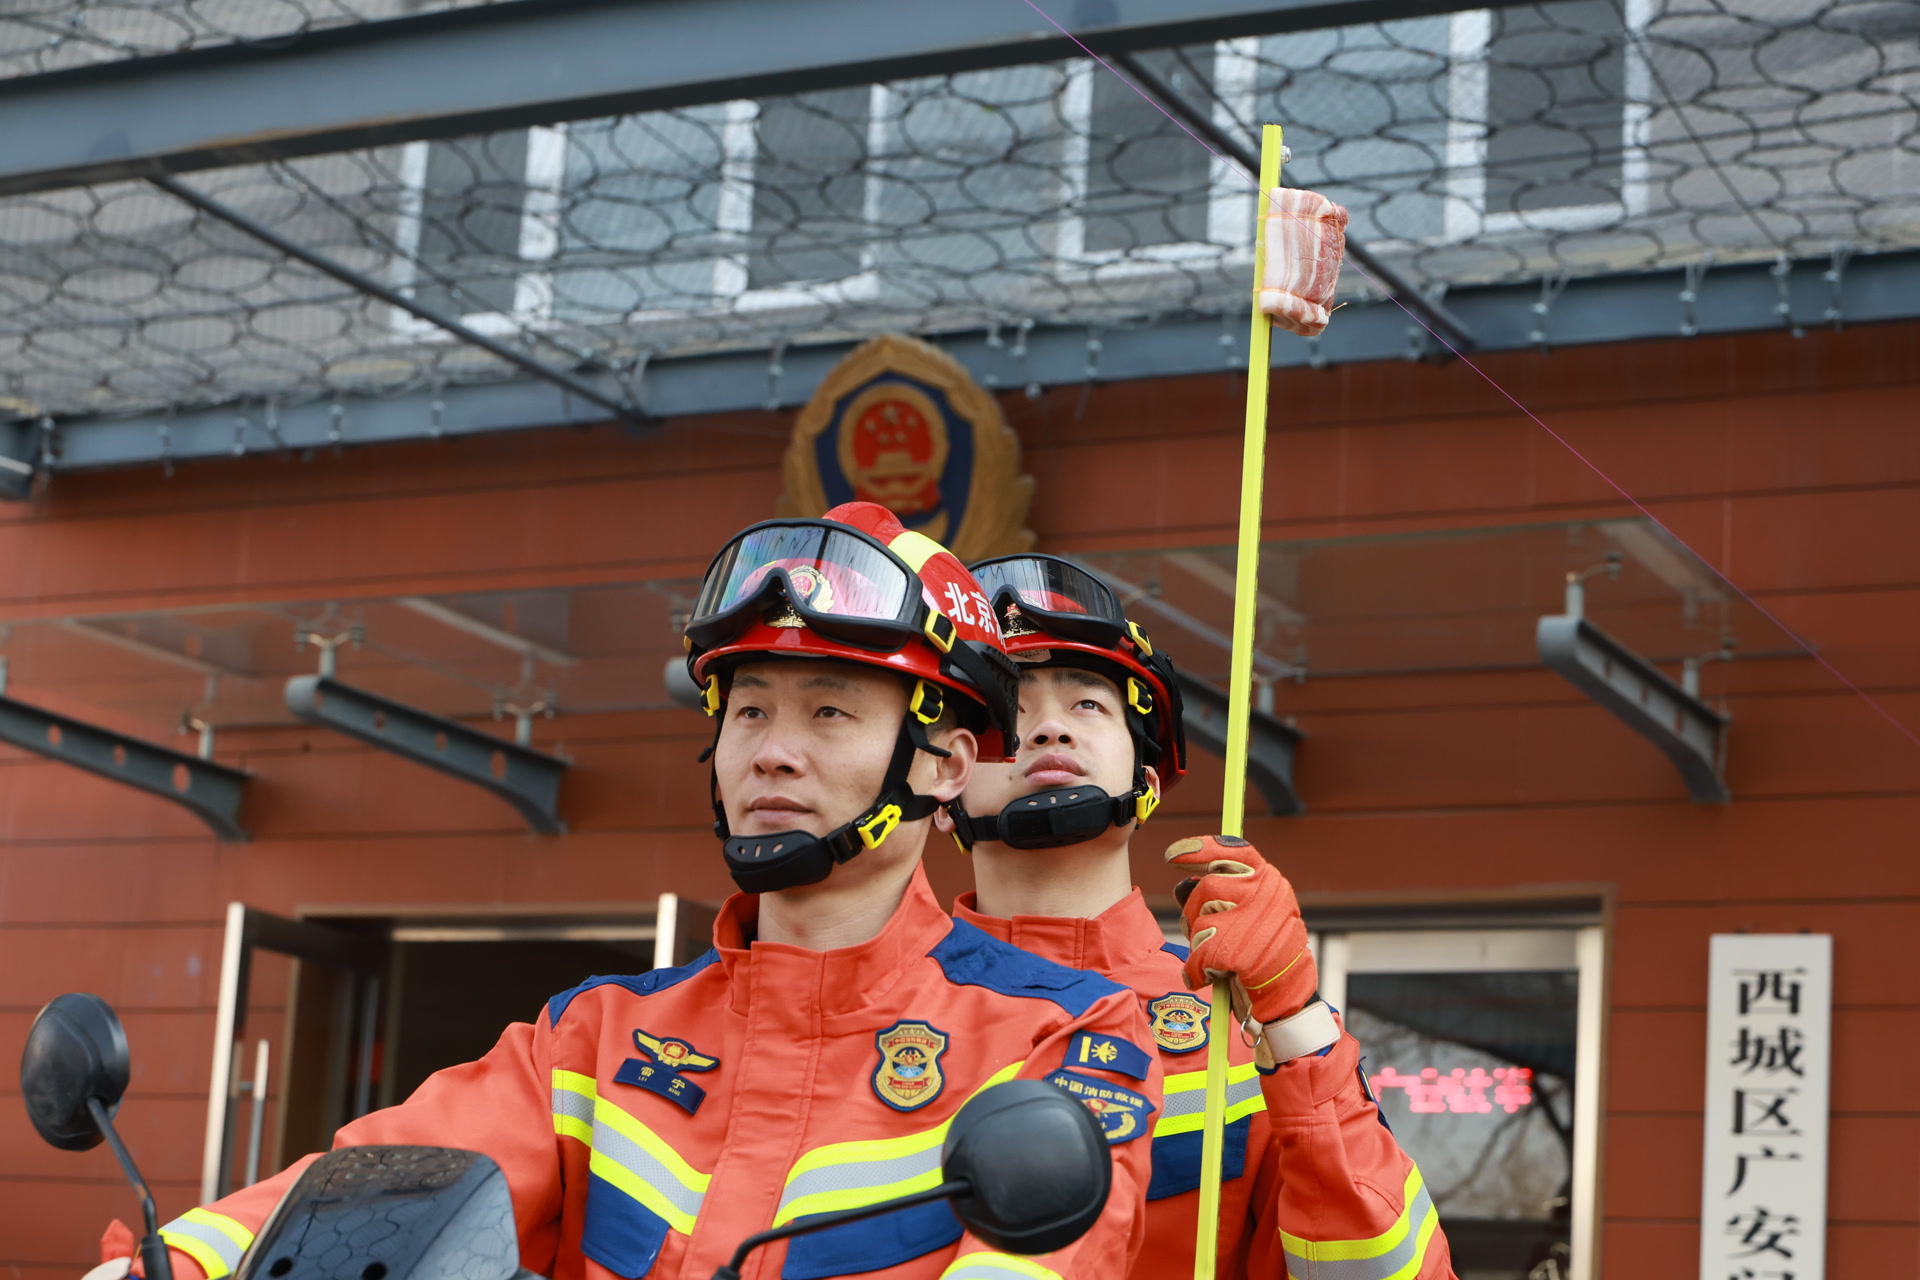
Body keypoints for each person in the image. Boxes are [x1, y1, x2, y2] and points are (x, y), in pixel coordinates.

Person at [107, 504, 1161, 1280]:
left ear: (943, 764)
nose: (772, 751)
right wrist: (168, 1264)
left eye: (830, 712)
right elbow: (383, 1179)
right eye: (749, 711)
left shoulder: (1063, 1037)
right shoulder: (596, 1037)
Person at [936, 553, 1456, 1280]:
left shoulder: (1242, 1030)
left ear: (1147, 776)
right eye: (1011, 709)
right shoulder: (871, 1014)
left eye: (1088, 704)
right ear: (943, 780)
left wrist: (1296, 1023)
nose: (1049, 728)